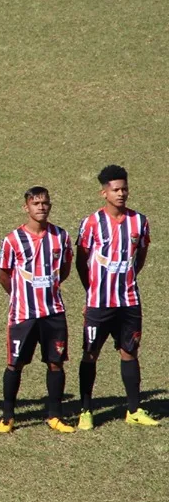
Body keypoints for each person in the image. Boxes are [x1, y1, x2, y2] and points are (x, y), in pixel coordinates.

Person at [76, 165, 157, 428]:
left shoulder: (139, 222)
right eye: (116, 190)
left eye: (124, 189)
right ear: (104, 193)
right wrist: (92, 291)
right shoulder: (91, 223)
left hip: (129, 302)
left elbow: (140, 256)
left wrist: (128, 278)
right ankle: (86, 410)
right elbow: (81, 262)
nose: (121, 194)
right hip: (99, 303)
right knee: (90, 353)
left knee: (130, 352)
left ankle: (133, 409)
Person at [0, 186, 74, 433]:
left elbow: (65, 269)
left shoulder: (61, 236)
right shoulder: (12, 240)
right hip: (23, 314)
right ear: (26, 207)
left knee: (55, 363)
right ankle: (7, 417)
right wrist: (19, 294)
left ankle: (55, 416)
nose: (41, 207)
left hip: (53, 313)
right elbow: (3, 274)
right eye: (36, 203)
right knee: (15, 364)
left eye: (45, 203)